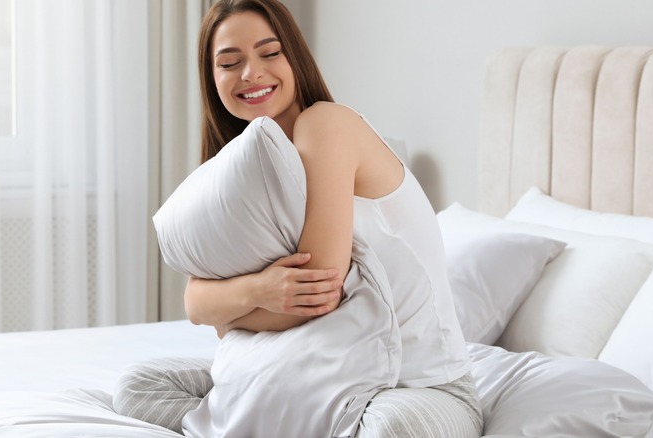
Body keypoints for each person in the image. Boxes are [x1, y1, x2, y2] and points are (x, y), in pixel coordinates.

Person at [115, 1, 483, 436]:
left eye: (269, 53)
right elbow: (196, 302)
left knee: (395, 430)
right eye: (230, 62)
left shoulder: (326, 125)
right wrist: (255, 290)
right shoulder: (239, 173)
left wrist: (223, 307)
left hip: (409, 385)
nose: (251, 72)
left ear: (295, 57)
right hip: (302, 376)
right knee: (138, 388)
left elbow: (314, 298)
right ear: (213, 79)